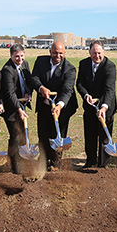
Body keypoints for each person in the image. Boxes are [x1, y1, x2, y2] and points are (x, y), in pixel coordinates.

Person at [30, 41, 78, 171]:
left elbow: (67, 90)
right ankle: (44, 160)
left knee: (58, 134)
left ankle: (56, 163)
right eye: (55, 52)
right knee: (43, 132)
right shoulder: (41, 61)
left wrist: (59, 106)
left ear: (64, 53)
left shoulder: (70, 68)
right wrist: (41, 88)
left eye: (61, 53)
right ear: (50, 52)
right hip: (44, 104)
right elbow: (34, 78)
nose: (58, 55)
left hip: (63, 106)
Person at [76, 40, 117, 168]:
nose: (97, 56)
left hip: (106, 107)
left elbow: (109, 89)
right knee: (90, 136)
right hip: (89, 107)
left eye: (99, 53)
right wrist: (86, 95)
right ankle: (90, 161)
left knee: (104, 138)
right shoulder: (83, 64)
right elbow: (79, 84)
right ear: (89, 52)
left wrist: (103, 107)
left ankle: (103, 165)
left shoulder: (110, 66)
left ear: (103, 52)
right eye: (94, 53)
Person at [0, 44, 35, 171]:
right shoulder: (7, 70)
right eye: (16, 57)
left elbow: (28, 81)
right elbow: (10, 93)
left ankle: (23, 160)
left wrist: (28, 94)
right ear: (11, 56)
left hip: (21, 104)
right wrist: (19, 109)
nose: (20, 59)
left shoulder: (25, 64)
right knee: (15, 135)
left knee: (24, 134)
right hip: (10, 108)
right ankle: (13, 164)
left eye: (21, 56)